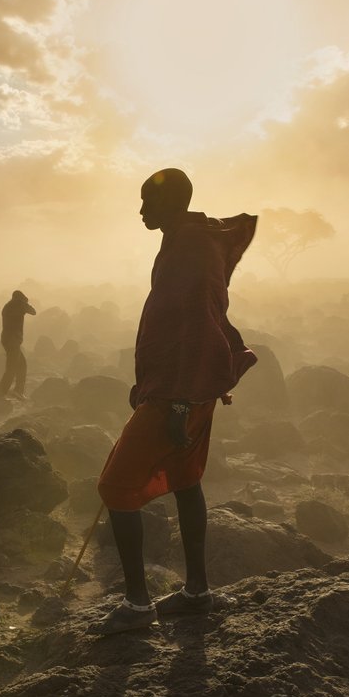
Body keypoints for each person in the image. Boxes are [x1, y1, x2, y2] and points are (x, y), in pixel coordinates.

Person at [94, 168, 257, 635]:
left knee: (116, 487)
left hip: (180, 391)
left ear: (173, 205)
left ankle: (137, 604)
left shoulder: (188, 247)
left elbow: (196, 322)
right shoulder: (190, 241)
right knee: (186, 481)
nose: (142, 211)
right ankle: (196, 593)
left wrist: (179, 402)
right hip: (182, 385)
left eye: (149, 203)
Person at [0, 290, 36, 399]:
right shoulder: (20, 305)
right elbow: (33, 311)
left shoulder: (7, 306)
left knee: (21, 365)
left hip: (6, 339)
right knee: (12, 367)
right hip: (13, 340)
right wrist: (25, 303)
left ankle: (17, 391)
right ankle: (0, 393)